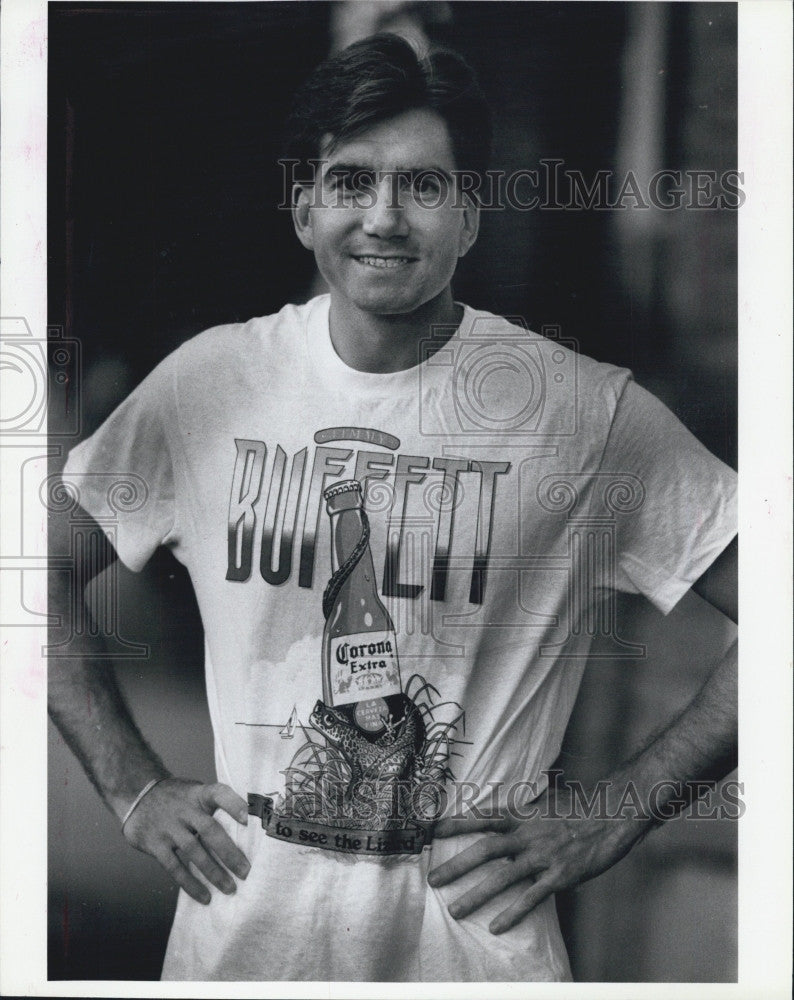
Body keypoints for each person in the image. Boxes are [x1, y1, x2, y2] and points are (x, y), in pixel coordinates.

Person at [49, 33, 737, 982]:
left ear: (471, 217)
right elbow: (32, 576)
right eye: (350, 181)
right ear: (304, 207)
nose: (384, 217)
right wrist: (133, 788)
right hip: (240, 957)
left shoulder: (584, 413)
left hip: (475, 963)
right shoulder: (208, 383)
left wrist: (616, 809)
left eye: (421, 186)